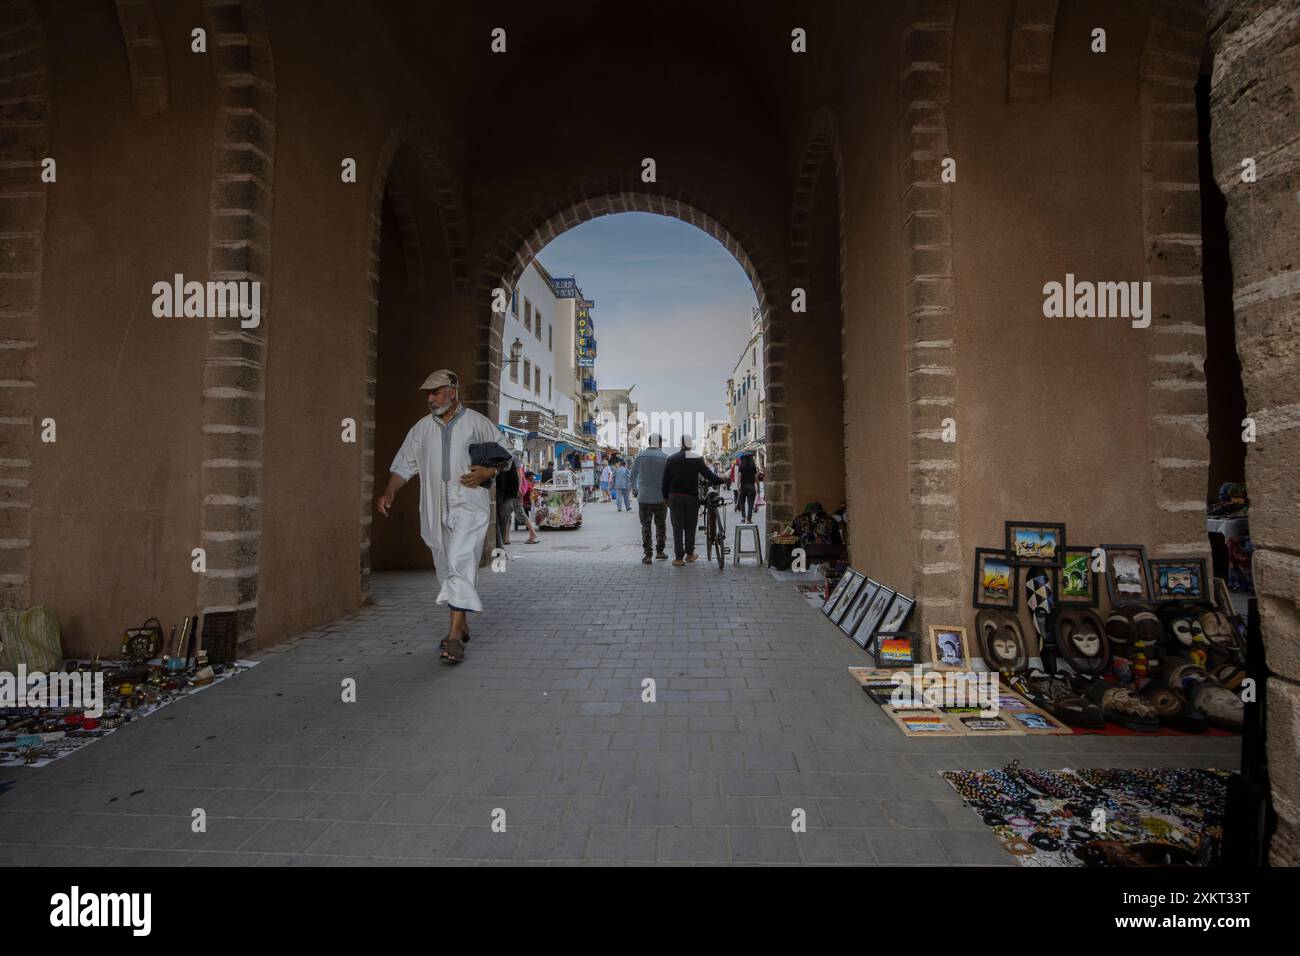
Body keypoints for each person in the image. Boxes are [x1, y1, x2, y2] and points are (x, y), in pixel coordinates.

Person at [376, 369, 510, 665]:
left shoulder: (478, 424)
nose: (430, 398)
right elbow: (403, 465)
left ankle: (453, 638)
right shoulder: (421, 429)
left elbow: (507, 455)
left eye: (435, 392)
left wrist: (491, 471)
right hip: (434, 509)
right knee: (445, 566)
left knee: (460, 562)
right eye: (427, 393)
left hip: (470, 507)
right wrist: (389, 491)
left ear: (453, 392)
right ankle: (462, 625)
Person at [661, 434, 726, 566]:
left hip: (675, 497)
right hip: (691, 497)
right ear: (690, 444)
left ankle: (678, 558)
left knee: (677, 527)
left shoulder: (671, 459)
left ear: (680, 444)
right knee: (690, 526)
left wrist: (665, 497)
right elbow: (708, 474)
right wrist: (722, 480)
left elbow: (665, 481)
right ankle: (690, 554)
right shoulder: (696, 458)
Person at [630, 433, 669, 564]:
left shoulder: (639, 456)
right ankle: (660, 551)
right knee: (661, 525)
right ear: (660, 443)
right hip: (660, 498)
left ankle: (647, 555)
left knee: (645, 526)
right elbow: (669, 477)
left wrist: (635, 490)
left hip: (644, 497)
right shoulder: (665, 457)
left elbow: (632, 475)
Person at [495, 456, 539, 546]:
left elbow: (519, 473)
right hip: (511, 490)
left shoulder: (513, 458)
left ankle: (533, 534)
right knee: (508, 512)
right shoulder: (510, 457)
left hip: (515, 490)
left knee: (519, 513)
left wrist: (518, 488)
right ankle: (506, 538)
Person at [737, 451, 762, 524]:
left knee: (742, 501)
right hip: (751, 486)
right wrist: (758, 487)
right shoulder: (753, 467)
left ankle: (743, 517)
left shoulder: (741, 467)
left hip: (743, 486)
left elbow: (739, 477)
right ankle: (749, 519)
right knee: (750, 503)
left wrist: (738, 486)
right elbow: (756, 478)